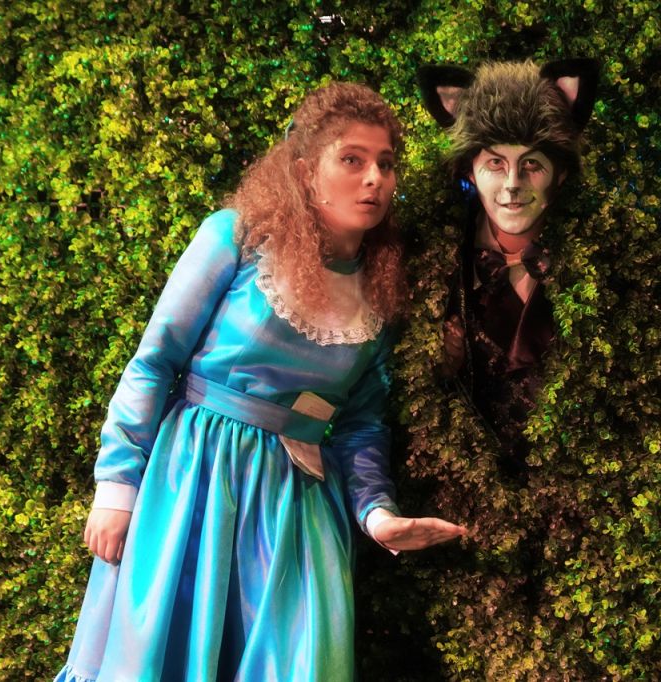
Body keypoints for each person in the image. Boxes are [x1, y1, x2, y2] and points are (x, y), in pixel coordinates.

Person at [55, 82, 466, 682]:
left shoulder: (381, 290)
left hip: (295, 511)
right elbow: (155, 360)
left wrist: (377, 515)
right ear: (305, 172)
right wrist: (116, 485)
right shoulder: (237, 238)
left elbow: (360, 424)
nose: (374, 178)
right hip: (194, 483)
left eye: (385, 162)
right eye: (352, 159)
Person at [417, 59, 598, 473]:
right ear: (471, 170)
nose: (513, 183)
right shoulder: (437, 263)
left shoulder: (594, 264)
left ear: (560, 175)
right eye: (496, 164)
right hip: (467, 485)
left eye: (531, 164)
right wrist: (440, 367)